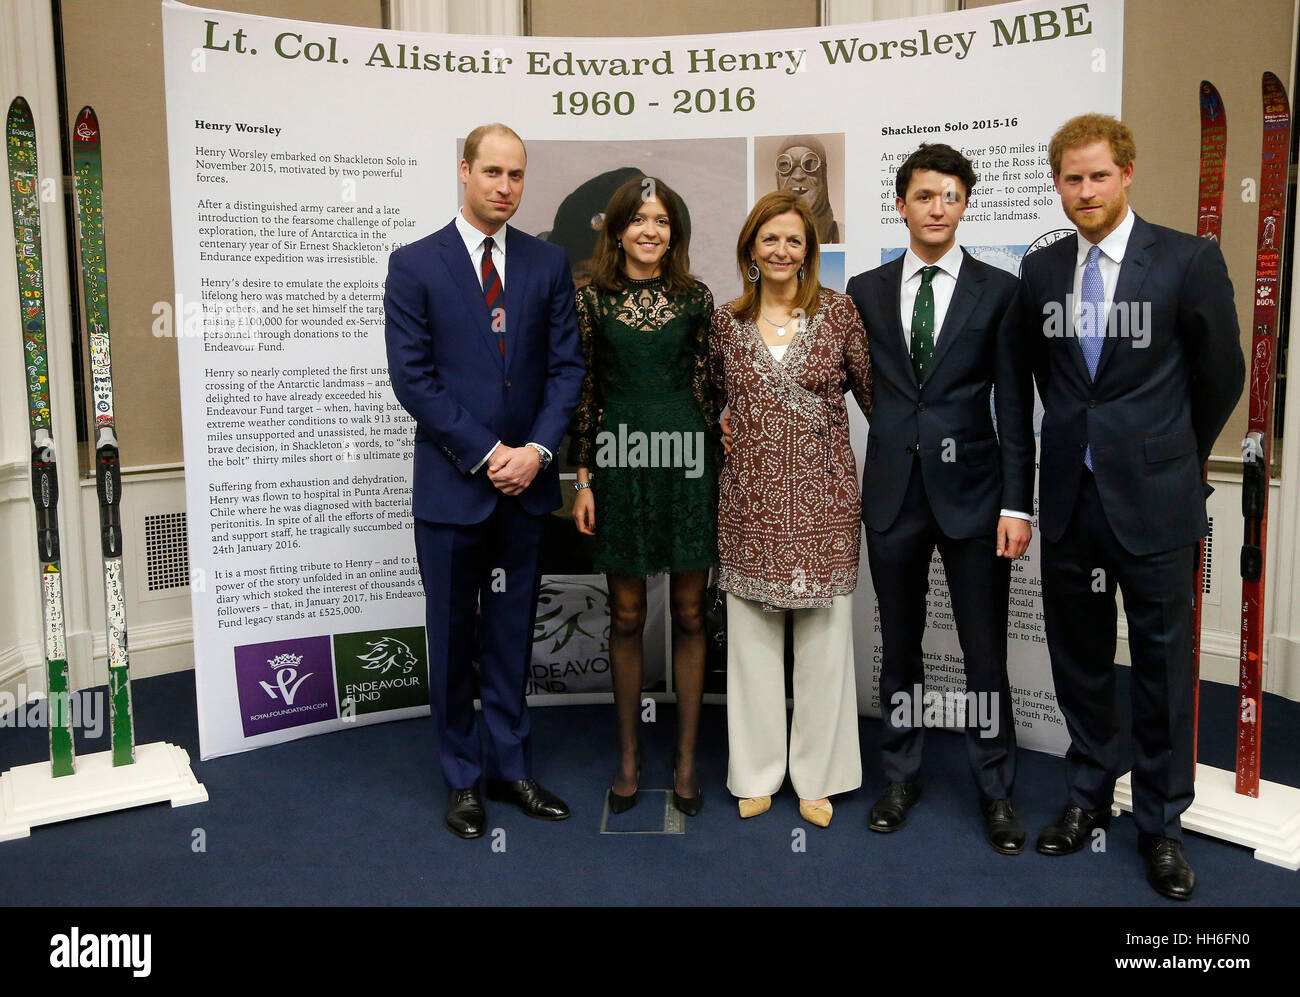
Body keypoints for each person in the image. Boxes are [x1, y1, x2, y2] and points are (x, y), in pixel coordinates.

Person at [1003, 114, 1244, 898]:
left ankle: (1163, 824)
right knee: (1079, 660)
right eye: (1071, 178)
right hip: (1072, 499)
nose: (1084, 191)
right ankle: (1086, 795)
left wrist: (1168, 449)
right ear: (1057, 184)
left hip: (1158, 502)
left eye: (1098, 175)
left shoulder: (1187, 259)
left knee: (1165, 668)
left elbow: (1221, 375)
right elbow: (1040, 378)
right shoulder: (1039, 273)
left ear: (1128, 172)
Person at [384, 123, 585, 839]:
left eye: (517, 175)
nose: (506, 186)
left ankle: (512, 767)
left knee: (509, 634)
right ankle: (462, 779)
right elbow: (414, 378)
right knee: (452, 633)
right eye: (493, 171)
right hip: (453, 489)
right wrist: (488, 452)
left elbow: (567, 369)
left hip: (526, 488)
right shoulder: (415, 265)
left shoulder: (548, 262)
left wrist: (534, 450)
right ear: (465, 170)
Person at [846, 143, 1035, 853]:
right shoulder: (863, 289)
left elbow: (1016, 406)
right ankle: (900, 772)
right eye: (923, 195)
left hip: (977, 497)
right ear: (902, 203)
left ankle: (995, 787)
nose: (936, 207)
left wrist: (1019, 504)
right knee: (899, 645)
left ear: (964, 204)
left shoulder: (1002, 290)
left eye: (950, 196)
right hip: (893, 492)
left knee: (984, 651)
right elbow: (831, 379)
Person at [710, 190, 872, 827]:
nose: (781, 250)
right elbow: (705, 402)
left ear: (810, 250)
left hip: (825, 503)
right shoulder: (725, 321)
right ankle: (753, 773)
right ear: (751, 247)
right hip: (748, 502)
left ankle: (818, 777)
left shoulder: (839, 314)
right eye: (769, 239)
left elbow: (878, 398)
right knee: (750, 644)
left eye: (794, 240)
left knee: (824, 644)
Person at [569, 176, 717, 816]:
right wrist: (582, 479)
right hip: (619, 460)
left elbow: (713, 391)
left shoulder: (697, 298)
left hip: (687, 461)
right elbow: (585, 392)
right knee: (626, 616)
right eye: (638, 220)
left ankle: (686, 756)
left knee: (689, 613)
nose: (649, 231)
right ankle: (629, 754)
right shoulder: (591, 301)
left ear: (674, 231)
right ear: (616, 228)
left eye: (661, 220)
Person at [774, 136, 840, 243]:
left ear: (823, 174)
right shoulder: (764, 237)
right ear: (778, 178)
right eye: (785, 164)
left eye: (809, 163)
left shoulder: (846, 235)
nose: (798, 176)